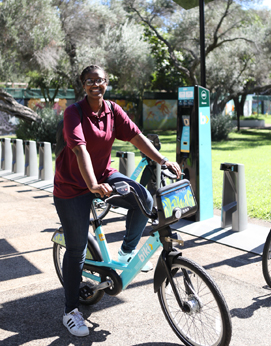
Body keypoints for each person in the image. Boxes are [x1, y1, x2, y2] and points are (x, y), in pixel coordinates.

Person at [53, 64, 181, 337]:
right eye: (89, 81)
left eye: (99, 80)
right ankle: (71, 311)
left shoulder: (112, 111)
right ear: (83, 84)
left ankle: (126, 251)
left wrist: (163, 160)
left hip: (103, 175)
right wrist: (92, 185)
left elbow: (136, 136)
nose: (94, 85)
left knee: (143, 199)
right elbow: (79, 150)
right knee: (76, 250)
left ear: (106, 83)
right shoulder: (73, 113)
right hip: (72, 187)